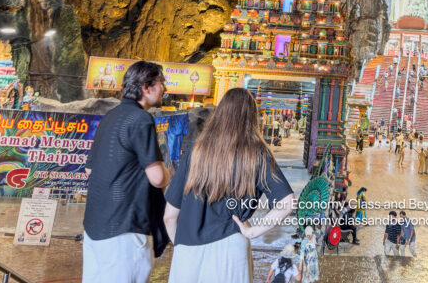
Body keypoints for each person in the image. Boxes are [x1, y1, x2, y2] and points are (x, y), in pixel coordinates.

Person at [163, 87, 295, 282]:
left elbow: (169, 217)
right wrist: (252, 231)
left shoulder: (195, 151)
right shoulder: (256, 154)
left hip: (187, 251)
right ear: (251, 117)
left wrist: (183, 247)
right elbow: (287, 202)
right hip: (230, 249)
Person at [83, 61, 169, 283]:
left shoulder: (110, 117)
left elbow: (90, 169)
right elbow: (157, 178)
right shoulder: (141, 119)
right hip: (124, 230)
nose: (165, 89)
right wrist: (170, 173)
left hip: (95, 226)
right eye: (162, 82)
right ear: (146, 86)